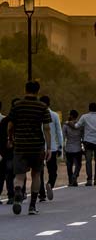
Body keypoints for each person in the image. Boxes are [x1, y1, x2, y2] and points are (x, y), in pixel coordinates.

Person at [6, 81, 52, 215]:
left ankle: (18, 191)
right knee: (36, 174)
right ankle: (32, 206)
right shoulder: (42, 106)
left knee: (19, 176)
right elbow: (47, 128)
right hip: (37, 146)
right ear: (38, 91)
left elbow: (10, 126)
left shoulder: (17, 106)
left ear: (25, 89)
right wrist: (49, 147)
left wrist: (10, 138)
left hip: (20, 146)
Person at [38, 96, 63, 202]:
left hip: (39, 147)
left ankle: (42, 194)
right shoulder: (55, 115)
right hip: (52, 147)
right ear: (49, 103)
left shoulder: (37, 115)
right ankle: (50, 184)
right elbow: (59, 131)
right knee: (53, 171)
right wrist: (60, 146)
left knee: (39, 172)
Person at [76, 102, 96, 186]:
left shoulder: (84, 117)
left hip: (88, 142)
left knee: (88, 161)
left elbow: (77, 126)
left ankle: (89, 179)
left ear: (89, 108)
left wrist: (69, 123)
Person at [0, 100, 17, 204]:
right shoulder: (20, 121)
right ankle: (12, 195)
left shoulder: (4, 120)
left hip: (4, 152)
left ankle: (11, 195)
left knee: (3, 174)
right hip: (13, 152)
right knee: (11, 174)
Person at [62, 110, 83, 187]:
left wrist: (62, 147)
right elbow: (83, 136)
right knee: (78, 164)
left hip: (69, 148)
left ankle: (71, 181)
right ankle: (75, 176)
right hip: (78, 148)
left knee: (69, 165)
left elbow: (63, 137)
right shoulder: (80, 125)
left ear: (71, 115)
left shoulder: (65, 125)